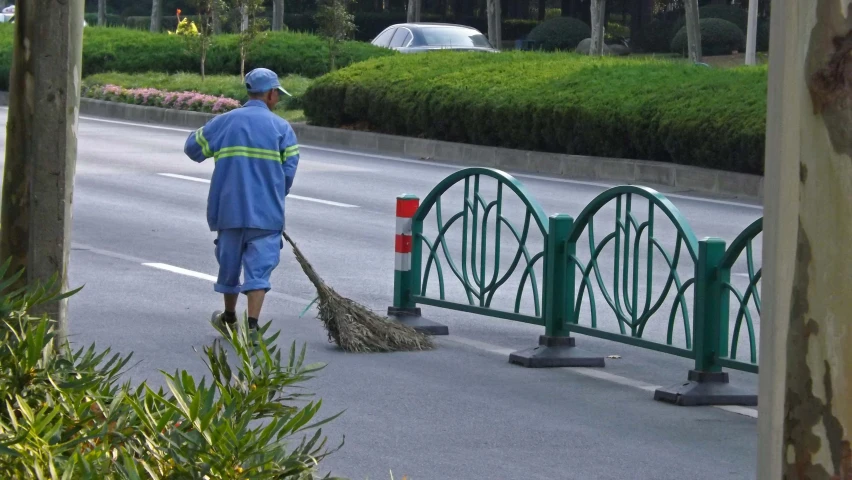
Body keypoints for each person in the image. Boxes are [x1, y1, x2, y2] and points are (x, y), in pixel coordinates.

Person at [183, 67, 300, 339]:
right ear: (271, 94)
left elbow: (192, 148)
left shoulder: (225, 122)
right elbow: (289, 171)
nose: (278, 99)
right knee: (259, 268)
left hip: (228, 210)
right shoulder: (282, 128)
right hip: (266, 213)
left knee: (230, 264)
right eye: (278, 94)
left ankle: (229, 316)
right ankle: (253, 324)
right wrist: (274, 195)